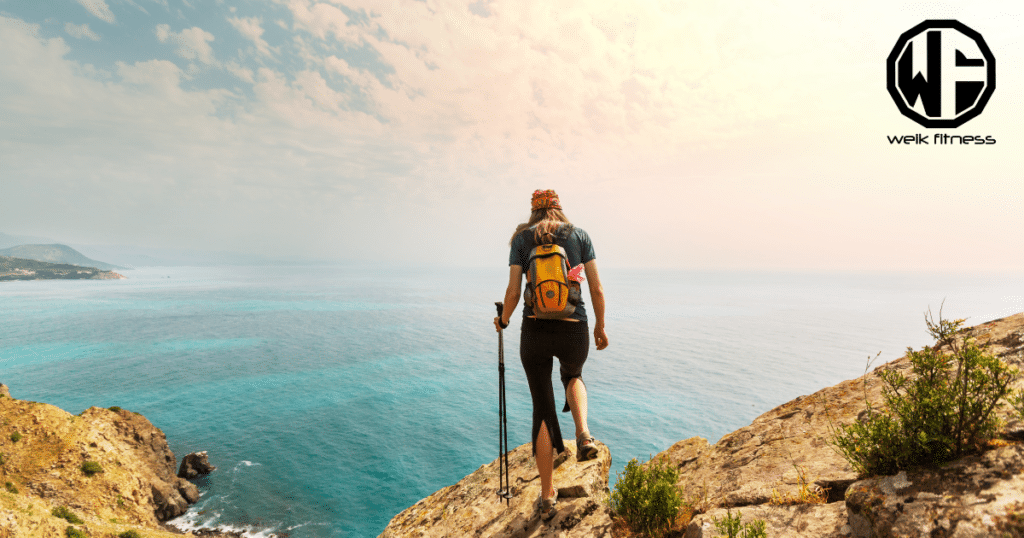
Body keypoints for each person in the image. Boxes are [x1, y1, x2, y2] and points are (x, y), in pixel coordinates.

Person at [493, 189, 609, 519]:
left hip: (535, 330)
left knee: (542, 408)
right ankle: (583, 434)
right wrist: (600, 326)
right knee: (573, 375)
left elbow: (514, 291)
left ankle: (546, 495)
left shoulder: (521, 239)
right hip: (575, 326)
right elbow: (597, 288)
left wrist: (503, 320)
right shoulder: (580, 235)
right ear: (559, 209)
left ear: (533, 211)